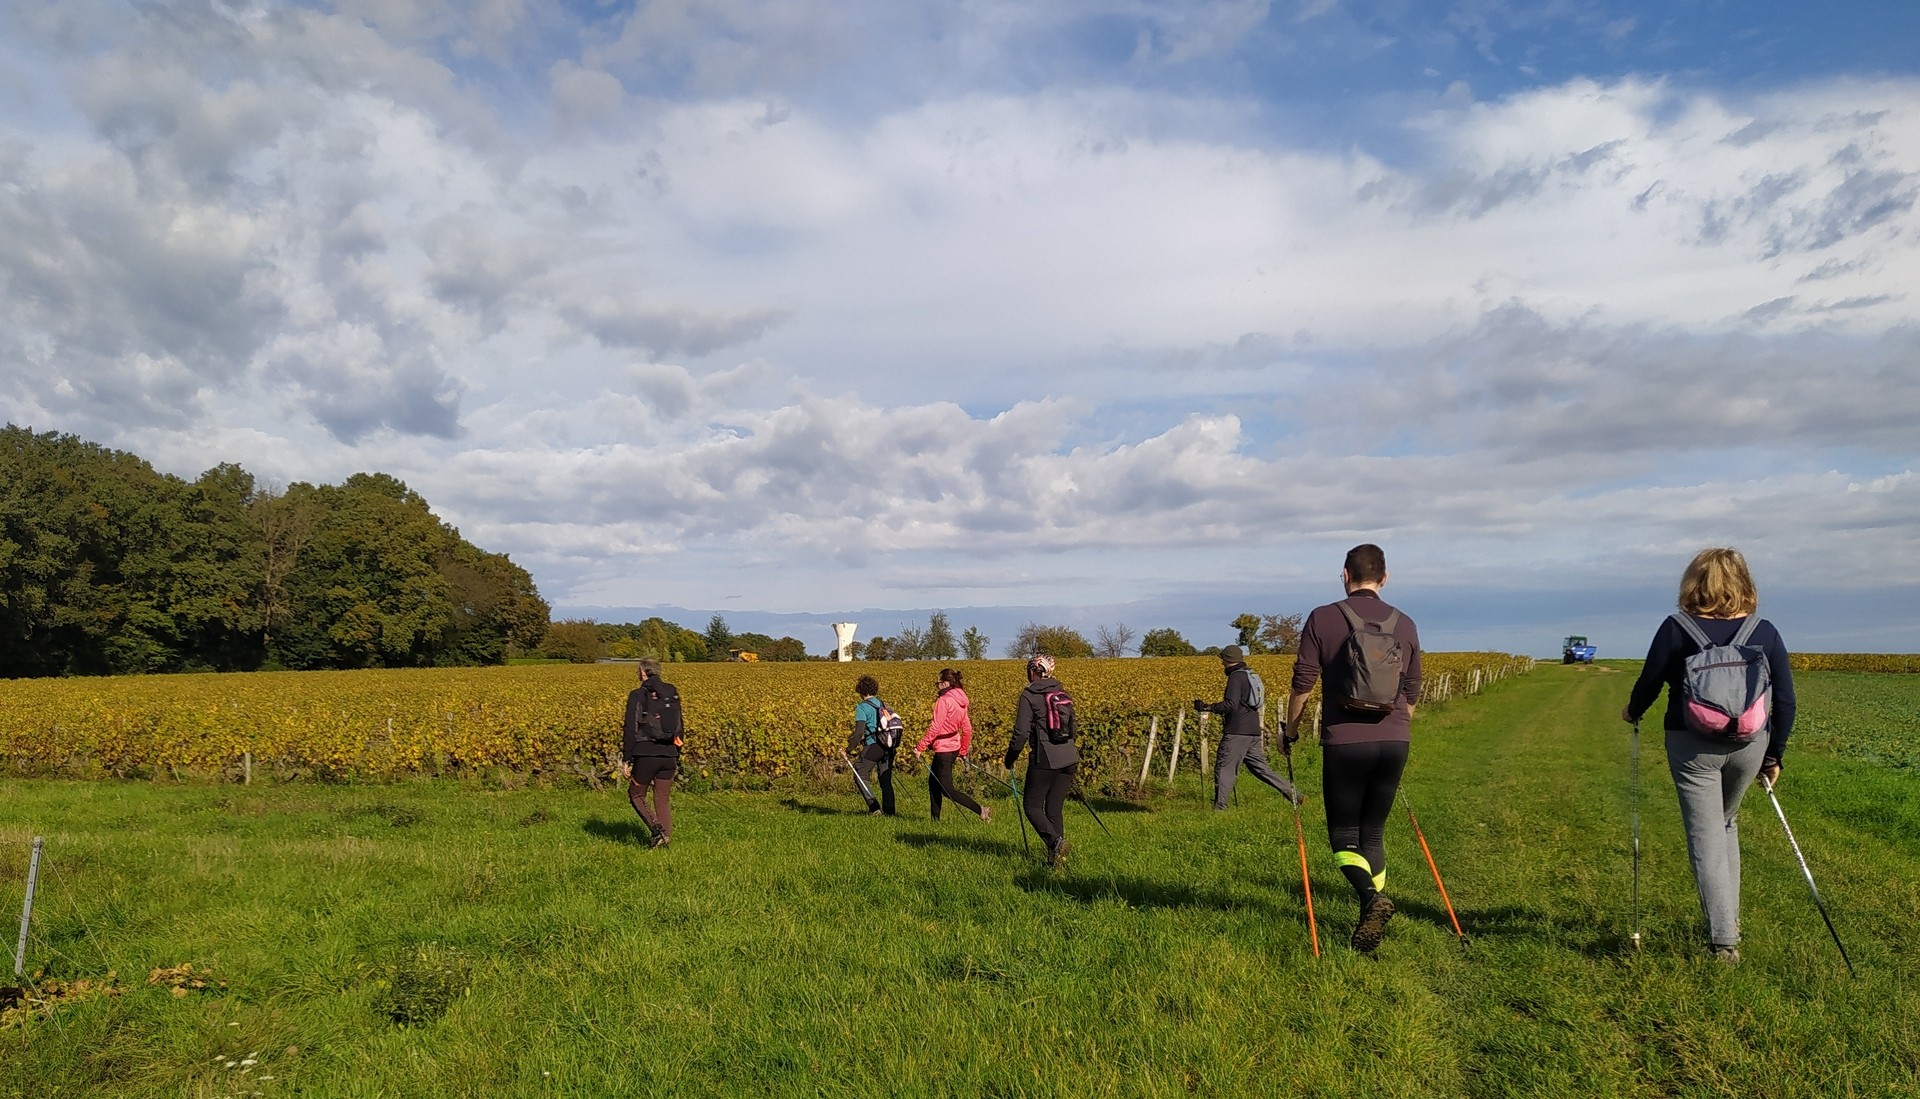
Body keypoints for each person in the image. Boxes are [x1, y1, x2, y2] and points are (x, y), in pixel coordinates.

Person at [1623, 547, 1796, 965]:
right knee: (1726, 823)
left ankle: (1723, 944)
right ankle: (1729, 924)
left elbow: (1650, 680)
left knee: (1705, 837)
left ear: (1693, 582)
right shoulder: (1764, 630)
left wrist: (1634, 711)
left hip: (1691, 742)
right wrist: (1774, 757)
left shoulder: (1676, 628)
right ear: (1744, 583)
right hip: (1749, 744)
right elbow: (1786, 700)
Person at [1285, 543, 1422, 953]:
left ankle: (1370, 899)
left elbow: (1303, 682)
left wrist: (1290, 730)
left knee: (1343, 835)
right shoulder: (1406, 623)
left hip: (1345, 742)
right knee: (1374, 834)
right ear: (1385, 578)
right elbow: (1412, 690)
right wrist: (1396, 728)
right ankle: (1371, 918)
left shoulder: (1323, 618)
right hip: (1395, 739)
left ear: (1344, 574)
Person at [1195, 645, 1302, 810]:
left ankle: (1220, 809)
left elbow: (1231, 705)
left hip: (1237, 731)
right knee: (1262, 770)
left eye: (1222, 659)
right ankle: (1296, 796)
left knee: (1225, 768)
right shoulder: (1249, 675)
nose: (1221, 662)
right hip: (1253, 731)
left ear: (1227, 659)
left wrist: (1207, 707)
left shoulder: (1236, 678)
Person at [1004, 654, 1079, 867]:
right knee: (1054, 809)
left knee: (1032, 807)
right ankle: (1058, 861)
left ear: (1033, 671)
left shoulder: (1029, 695)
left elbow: (1020, 733)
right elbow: (1073, 727)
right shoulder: (1062, 691)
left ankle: (1056, 842)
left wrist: (1010, 758)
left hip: (1045, 758)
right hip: (1069, 758)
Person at [914, 668, 990, 823]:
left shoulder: (944, 701)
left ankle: (981, 810)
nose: (937, 686)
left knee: (947, 789)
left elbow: (935, 727)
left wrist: (920, 747)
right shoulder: (961, 700)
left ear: (945, 683)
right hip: (953, 746)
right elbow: (967, 729)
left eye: (938, 683)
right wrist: (962, 751)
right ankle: (934, 821)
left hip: (944, 749)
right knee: (933, 783)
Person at [621, 659, 682, 849]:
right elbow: (681, 724)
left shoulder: (637, 695)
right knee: (662, 798)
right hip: (669, 755)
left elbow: (631, 728)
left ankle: (658, 832)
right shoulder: (671, 692)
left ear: (642, 672)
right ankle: (665, 839)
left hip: (646, 754)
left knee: (636, 794)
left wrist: (627, 759)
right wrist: (677, 752)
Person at [847, 675, 898, 816]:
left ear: (860, 691)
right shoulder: (882, 704)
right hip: (888, 745)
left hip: (873, 745)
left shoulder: (862, 707)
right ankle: (890, 812)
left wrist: (849, 749)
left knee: (859, 773)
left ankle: (874, 808)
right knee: (885, 779)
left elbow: (859, 732)